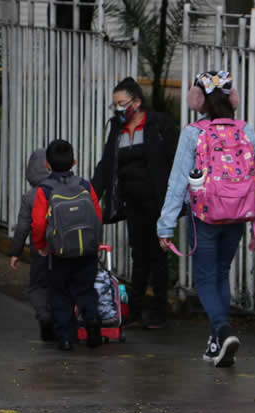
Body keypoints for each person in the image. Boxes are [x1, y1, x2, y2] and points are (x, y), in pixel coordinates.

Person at [157, 70, 255, 367]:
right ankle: (216, 343)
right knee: (220, 273)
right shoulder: (246, 130)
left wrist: (165, 225)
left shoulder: (194, 132)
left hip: (204, 216)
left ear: (199, 100)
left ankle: (222, 329)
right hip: (239, 215)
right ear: (232, 99)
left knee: (205, 277)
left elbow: (178, 181)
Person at [91, 77, 179, 329]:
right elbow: (107, 163)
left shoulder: (158, 125)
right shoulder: (117, 129)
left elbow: (176, 159)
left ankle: (158, 311)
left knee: (159, 256)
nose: (118, 109)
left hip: (158, 202)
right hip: (132, 203)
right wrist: (91, 196)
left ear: (137, 102)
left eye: (122, 103)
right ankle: (136, 310)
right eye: (115, 105)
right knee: (139, 256)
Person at [32, 139, 103, 351]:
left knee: (60, 295)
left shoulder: (44, 190)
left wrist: (40, 245)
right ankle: (92, 325)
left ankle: (65, 338)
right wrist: (95, 242)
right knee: (86, 291)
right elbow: (97, 216)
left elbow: (38, 223)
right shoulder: (85, 185)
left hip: (59, 253)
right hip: (86, 253)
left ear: (47, 165)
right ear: (74, 162)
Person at [9, 149, 54, 341]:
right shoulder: (63, 189)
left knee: (37, 287)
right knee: (60, 286)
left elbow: (22, 228)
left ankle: (44, 315)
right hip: (64, 248)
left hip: (39, 249)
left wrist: (16, 252)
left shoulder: (30, 196)